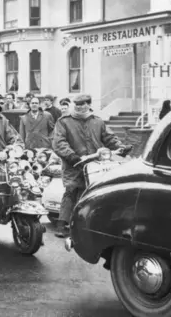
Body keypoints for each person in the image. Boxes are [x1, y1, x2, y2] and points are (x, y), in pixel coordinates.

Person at [52, 94, 130, 238]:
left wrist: (121, 147)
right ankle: (61, 225)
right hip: (73, 164)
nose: (79, 106)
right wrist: (72, 156)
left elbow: (109, 138)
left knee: (95, 191)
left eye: (82, 104)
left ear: (89, 104)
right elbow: (59, 142)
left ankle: (90, 223)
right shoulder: (64, 121)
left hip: (95, 164)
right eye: (77, 104)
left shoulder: (97, 121)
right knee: (71, 190)